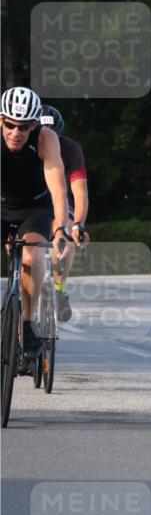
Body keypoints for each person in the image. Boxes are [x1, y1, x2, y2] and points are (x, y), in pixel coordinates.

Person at [1, 87, 71, 364]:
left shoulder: (46, 139)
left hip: (35, 208)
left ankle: (28, 326)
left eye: (24, 127)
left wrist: (60, 229)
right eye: (9, 125)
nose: (16, 133)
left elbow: (58, 190)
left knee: (32, 256)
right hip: (2, 204)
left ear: (34, 124)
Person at [40, 104, 90, 321]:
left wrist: (79, 224)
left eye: (55, 136)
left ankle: (59, 290)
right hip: (29, 198)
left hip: (58, 198)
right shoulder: (27, 143)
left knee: (67, 240)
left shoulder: (70, 149)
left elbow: (79, 193)